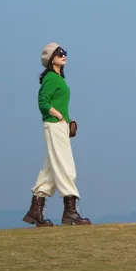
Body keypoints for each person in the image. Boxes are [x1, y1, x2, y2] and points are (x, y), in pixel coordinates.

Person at [22, 42, 91, 227]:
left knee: (51, 169)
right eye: (59, 53)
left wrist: (67, 122)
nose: (63, 55)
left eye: (64, 52)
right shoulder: (51, 78)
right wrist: (59, 116)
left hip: (60, 126)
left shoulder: (59, 79)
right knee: (66, 166)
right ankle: (71, 212)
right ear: (51, 58)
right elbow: (42, 102)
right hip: (54, 125)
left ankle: (35, 210)